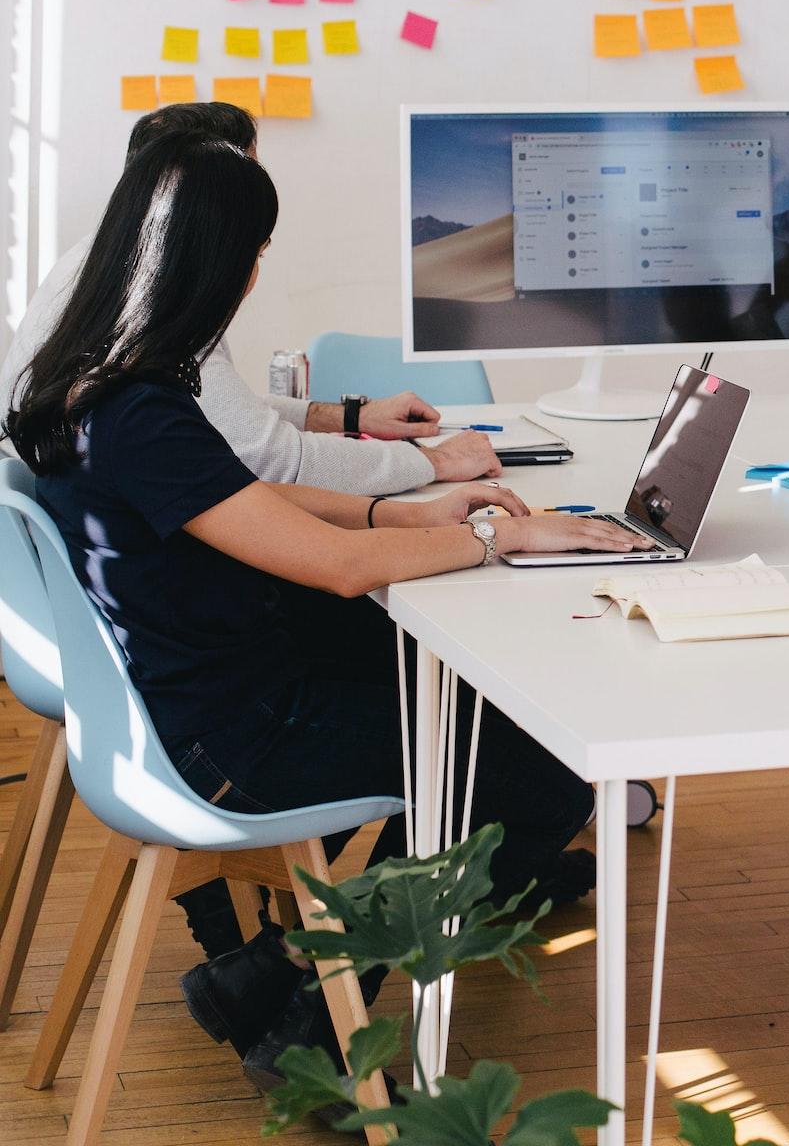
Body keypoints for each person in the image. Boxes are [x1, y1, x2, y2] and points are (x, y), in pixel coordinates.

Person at [4, 132, 648, 1100]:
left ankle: (272, 974)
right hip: (229, 735)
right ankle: (314, 1024)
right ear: (229, 260)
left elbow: (252, 504)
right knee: (534, 763)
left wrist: (404, 510)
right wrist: (495, 539)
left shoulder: (90, 382)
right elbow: (341, 567)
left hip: (187, 690)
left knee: (464, 709)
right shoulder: (144, 408)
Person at [0, 101, 499, 494]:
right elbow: (272, 460)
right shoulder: (153, 298)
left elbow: (209, 411)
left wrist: (353, 418)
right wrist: (434, 462)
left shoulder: (101, 265)